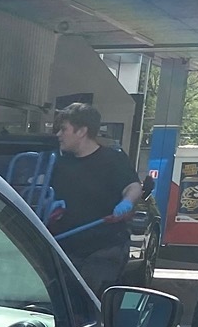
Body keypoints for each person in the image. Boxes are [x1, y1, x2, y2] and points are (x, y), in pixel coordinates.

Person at [50, 103, 144, 294]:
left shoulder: (113, 159)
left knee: (89, 296)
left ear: (81, 131)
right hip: (64, 248)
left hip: (103, 249)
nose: (58, 135)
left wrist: (127, 202)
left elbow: (133, 186)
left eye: (64, 129)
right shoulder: (58, 162)